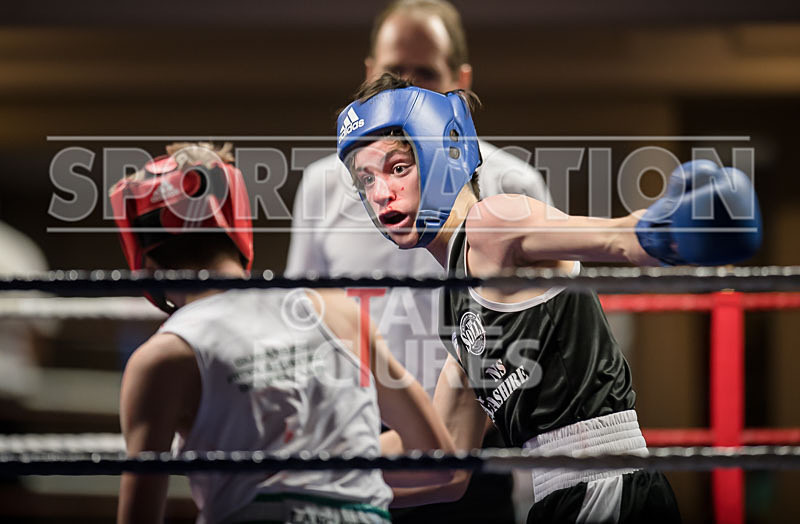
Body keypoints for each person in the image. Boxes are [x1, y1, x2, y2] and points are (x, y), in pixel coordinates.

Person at [336, 75, 762, 522]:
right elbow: (443, 467)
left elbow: (616, 238)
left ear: (445, 153)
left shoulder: (494, 222)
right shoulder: (455, 310)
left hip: (604, 483)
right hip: (558, 497)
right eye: (366, 179)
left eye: (398, 167)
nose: (381, 192)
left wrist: (667, 232)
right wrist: (306, 469)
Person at [287, 1, 548, 519]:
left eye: (425, 73)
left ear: (460, 80)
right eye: (393, 72)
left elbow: (529, 334)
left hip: (480, 436)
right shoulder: (324, 184)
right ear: (369, 75)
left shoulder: (509, 181)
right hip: (360, 433)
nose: (406, 87)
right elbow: (302, 321)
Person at [110, 143, 455, 524]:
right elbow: (437, 456)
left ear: (146, 262)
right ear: (235, 223)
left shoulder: (162, 358)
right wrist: (329, 470)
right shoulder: (335, 310)